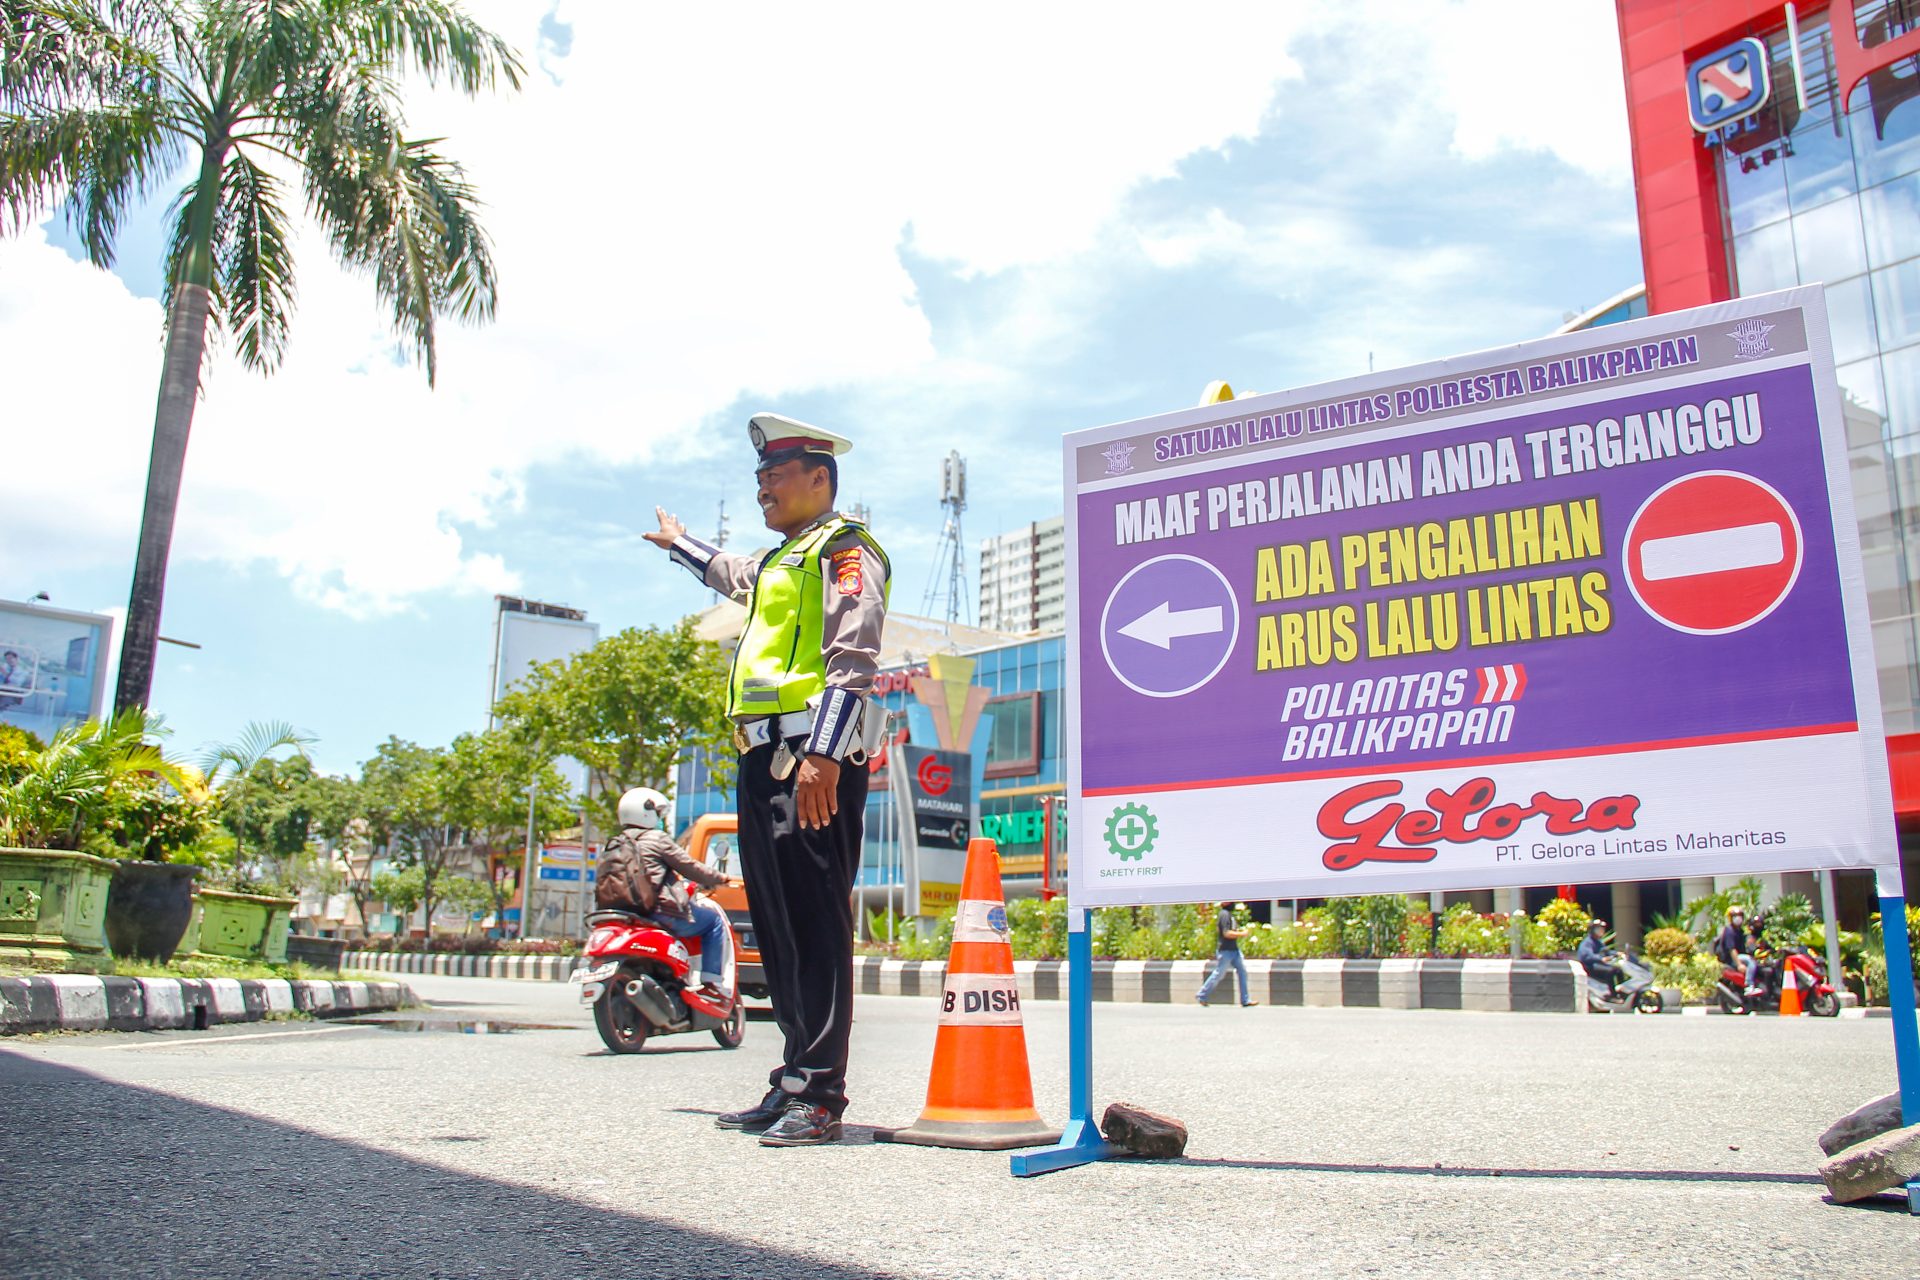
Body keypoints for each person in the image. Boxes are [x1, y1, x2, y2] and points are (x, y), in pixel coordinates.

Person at [646, 412, 888, 1148]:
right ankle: (792, 1078)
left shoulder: (847, 552)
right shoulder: (786, 560)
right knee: (779, 927)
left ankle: (821, 1094)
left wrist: (823, 753)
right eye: (758, 479)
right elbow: (733, 575)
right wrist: (681, 542)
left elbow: (854, 654)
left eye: (775, 476)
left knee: (815, 922)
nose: (762, 489)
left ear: (820, 479)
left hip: (811, 758)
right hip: (762, 760)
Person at [607, 786, 731, 1000]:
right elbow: (690, 866)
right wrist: (719, 878)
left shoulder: (613, 844)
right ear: (647, 813)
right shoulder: (656, 839)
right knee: (713, 922)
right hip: (659, 912)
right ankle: (711, 984)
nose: (660, 820)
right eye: (659, 814)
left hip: (621, 914)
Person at [1196, 901, 1256, 1007]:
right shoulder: (1224, 914)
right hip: (1225, 950)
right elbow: (1226, 933)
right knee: (1219, 974)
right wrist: (1242, 934)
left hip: (1234, 949)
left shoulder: (1228, 915)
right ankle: (1202, 995)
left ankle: (1245, 999)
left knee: (1242, 972)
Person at [1714, 906, 1761, 995]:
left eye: (1740, 916)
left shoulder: (1740, 930)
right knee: (1751, 961)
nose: (1738, 918)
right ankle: (1749, 986)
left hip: (1740, 956)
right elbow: (1732, 949)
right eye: (1735, 916)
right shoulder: (1729, 931)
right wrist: (1739, 964)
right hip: (1732, 958)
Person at [1576, 918, 1625, 993]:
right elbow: (1586, 955)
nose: (1601, 930)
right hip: (1590, 966)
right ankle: (1612, 995)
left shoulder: (1598, 942)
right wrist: (1601, 959)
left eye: (1602, 928)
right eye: (1598, 928)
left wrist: (1617, 953)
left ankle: (1621, 992)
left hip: (1597, 964)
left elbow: (1606, 951)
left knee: (1618, 970)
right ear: (1592, 930)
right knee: (1610, 971)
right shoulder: (1587, 942)